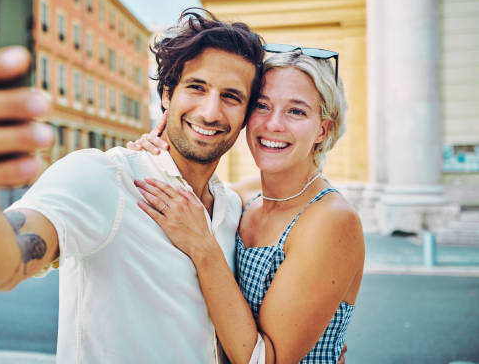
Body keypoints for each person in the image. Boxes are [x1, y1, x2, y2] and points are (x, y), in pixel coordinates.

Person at [0, 8, 267, 363]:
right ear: (167, 95)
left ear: (247, 114)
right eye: (196, 88)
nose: (211, 111)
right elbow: (0, 264)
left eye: (231, 97)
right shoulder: (105, 178)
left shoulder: (232, 208)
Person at [131, 47, 364, 363]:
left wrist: (203, 246)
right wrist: (152, 150)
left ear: (323, 129)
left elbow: (267, 359)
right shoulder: (244, 199)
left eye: (296, 111)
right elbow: (185, 186)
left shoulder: (331, 220)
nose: (273, 125)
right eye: (262, 106)